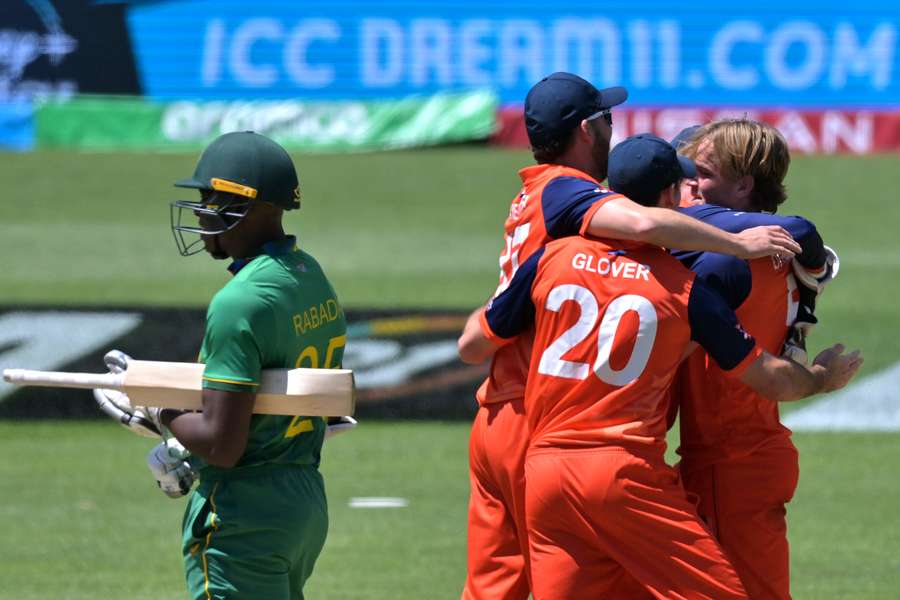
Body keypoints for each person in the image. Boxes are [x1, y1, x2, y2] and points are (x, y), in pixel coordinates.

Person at [457, 133, 862, 600]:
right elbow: (766, 372)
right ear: (670, 197)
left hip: (548, 468)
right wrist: (820, 377)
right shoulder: (692, 283)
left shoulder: (558, 256)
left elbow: (472, 343)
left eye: (704, 177)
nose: (695, 192)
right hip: (669, 466)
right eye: (690, 181)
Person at [95, 131, 347, 599]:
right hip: (302, 502)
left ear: (244, 205)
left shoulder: (240, 301)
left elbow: (223, 444)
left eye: (209, 198)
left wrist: (155, 409)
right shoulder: (310, 276)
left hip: (241, 516)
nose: (199, 211)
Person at [665, 119, 839, 600]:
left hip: (728, 460)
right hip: (752, 450)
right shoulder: (774, 254)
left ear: (743, 185)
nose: (689, 186)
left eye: (701, 173)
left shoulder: (730, 255)